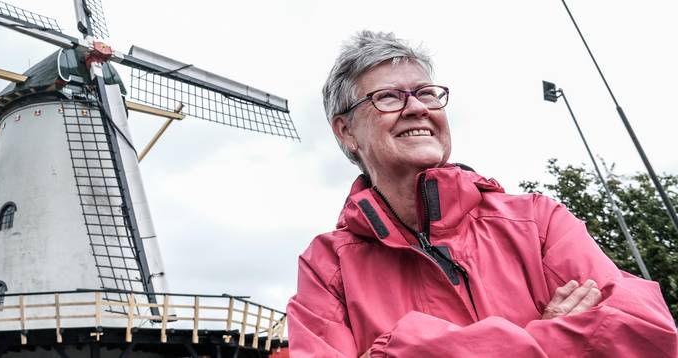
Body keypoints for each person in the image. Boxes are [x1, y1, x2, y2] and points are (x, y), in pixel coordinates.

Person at [287, 31, 677, 357]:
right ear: (346, 131)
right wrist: (550, 338)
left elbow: (646, 334)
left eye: (426, 93)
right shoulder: (327, 267)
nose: (417, 107)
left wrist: (405, 349)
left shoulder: (538, 221)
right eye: (388, 97)